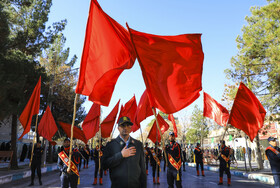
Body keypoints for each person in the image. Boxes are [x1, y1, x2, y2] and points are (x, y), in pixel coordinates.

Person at [102, 116, 146, 188]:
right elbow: (104, 165)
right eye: (122, 125)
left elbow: (142, 170)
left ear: (131, 127)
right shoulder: (111, 145)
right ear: (118, 128)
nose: (125, 128)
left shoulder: (138, 144)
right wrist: (121, 155)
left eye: (128, 125)